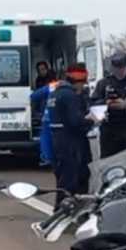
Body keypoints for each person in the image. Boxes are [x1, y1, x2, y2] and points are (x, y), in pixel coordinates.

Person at [48, 63, 93, 207]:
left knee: (62, 181)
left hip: (57, 141)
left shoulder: (54, 93)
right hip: (72, 144)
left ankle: (59, 211)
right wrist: (92, 121)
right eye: (83, 82)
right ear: (78, 80)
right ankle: (71, 213)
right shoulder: (70, 96)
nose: (83, 86)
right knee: (74, 181)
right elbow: (76, 122)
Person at [91, 51, 126, 158]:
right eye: (117, 69)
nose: (120, 71)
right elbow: (93, 103)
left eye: (122, 68)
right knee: (108, 160)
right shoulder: (103, 83)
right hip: (109, 130)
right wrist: (105, 103)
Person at [30, 77, 59, 166]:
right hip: (62, 116)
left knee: (45, 136)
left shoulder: (52, 86)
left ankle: (47, 158)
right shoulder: (71, 88)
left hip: (48, 115)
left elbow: (34, 96)